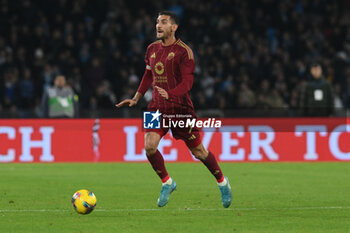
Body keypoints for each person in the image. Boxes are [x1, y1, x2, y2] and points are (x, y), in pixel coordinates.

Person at [116, 11, 232, 208]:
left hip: (180, 109)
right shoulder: (151, 49)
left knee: (199, 151)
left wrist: (171, 93)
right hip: (156, 108)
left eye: (163, 22)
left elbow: (188, 82)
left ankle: (222, 182)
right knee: (149, 146)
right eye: (157, 22)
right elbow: (148, 75)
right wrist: (136, 97)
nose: (158, 26)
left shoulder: (184, 52)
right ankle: (167, 183)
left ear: (174, 27)